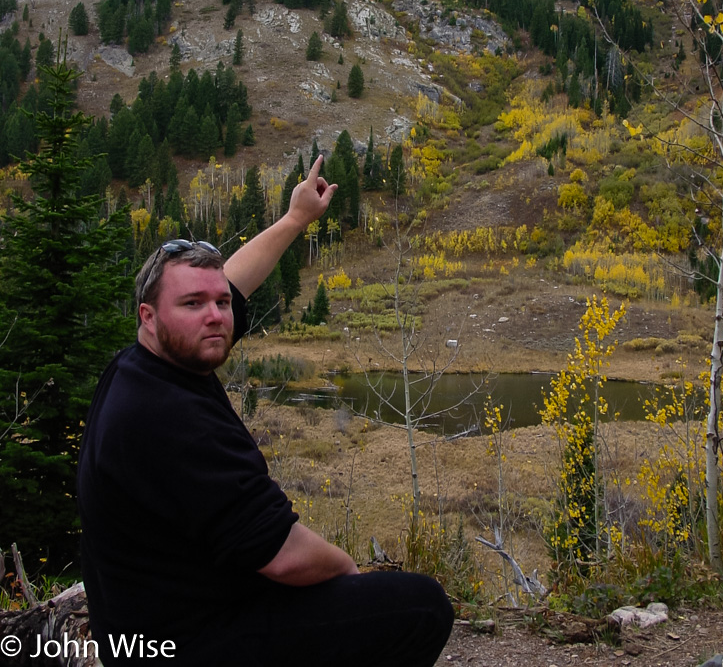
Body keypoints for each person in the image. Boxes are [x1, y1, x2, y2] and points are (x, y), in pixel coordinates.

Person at [77, 156, 454, 667]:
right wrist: (349, 573)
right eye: (193, 305)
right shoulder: (167, 417)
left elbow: (231, 281)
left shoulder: (143, 365)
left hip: (152, 625)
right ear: (149, 316)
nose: (215, 316)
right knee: (419, 606)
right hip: (187, 642)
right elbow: (281, 556)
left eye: (221, 305)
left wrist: (296, 217)